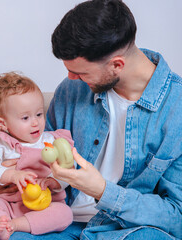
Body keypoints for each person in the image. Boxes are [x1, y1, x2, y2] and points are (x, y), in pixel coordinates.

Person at [42, 0, 182, 239]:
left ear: (117, 64)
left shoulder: (176, 109)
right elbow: (40, 154)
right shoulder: (70, 90)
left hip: (126, 231)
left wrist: (102, 191)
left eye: (81, 72)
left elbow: (176, 216)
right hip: (61, 223)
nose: (70, 77)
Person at [0, 72, 73, 240]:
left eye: (39, 114)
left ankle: (16, 225)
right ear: (2, 123)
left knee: (65, 214)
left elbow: (68, 170)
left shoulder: (51, 140)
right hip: (8, 203)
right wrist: (12, 175)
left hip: (44, 205)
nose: (35, 122)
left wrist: (54, 181)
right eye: (25, 117)